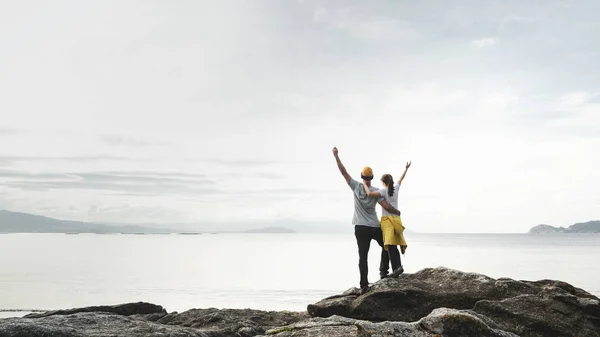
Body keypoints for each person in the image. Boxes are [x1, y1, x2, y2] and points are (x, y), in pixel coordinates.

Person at [332, 147, 402, 294]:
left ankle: (364, 285)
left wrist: (336, 156)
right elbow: (386, 206)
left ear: (362, 176)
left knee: (363, 256)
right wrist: (397, 212)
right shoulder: (376, 191)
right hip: (375, 226)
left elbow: (343, 172)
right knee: (387, 246)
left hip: (360, 228)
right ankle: (385, 272)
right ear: (371, 178)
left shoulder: (356, 186)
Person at [362, 161, 411, 278]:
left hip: (387, 221)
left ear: (384, 182)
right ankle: (383, 271)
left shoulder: (383, 191)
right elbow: (400, 179)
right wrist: (406, 169)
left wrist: (364, 184)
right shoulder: (396, 188)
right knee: (387, 244)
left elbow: (369, 194)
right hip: (397, 220)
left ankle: (396, 268)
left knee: (389, 244)